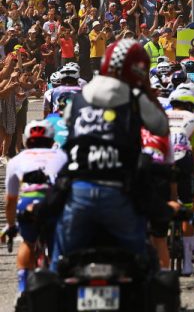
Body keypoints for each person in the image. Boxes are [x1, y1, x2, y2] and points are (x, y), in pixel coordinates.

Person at [51, 39, 170, 269]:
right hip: (119, 192)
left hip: (79, 191)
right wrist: (147, 92)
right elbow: (161, 127)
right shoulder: (134, 96)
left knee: (60, 259)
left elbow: (66, 124)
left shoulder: (80, 97)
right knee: (143, 261)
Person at [2, 120, 67, 295]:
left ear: (26, 140)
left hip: (28, 204)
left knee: (28, 242)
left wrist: (11, 225)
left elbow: (11, 199)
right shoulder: (62, 156)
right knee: (57, 243)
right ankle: (59, 282)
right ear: (51, 140)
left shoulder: (17, 160)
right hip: (53, 203)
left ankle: (23, 288)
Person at [167, 88, 194, 276]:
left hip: (162, 160)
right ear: (190, 105)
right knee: (187, 209)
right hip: (183, 159)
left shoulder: (162, 114)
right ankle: (188, 263)